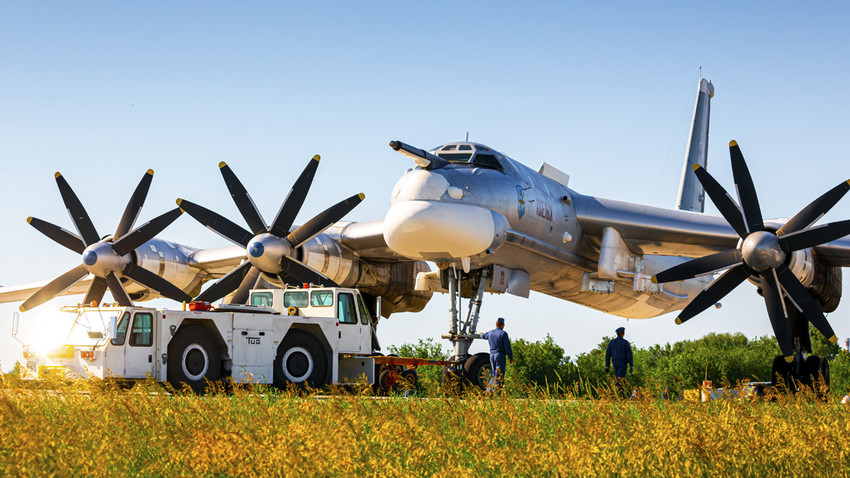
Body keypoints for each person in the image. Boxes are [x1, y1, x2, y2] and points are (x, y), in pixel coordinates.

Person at [480, 317, 513, 387]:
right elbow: (507, 347)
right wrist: (511, 357)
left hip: (491, 356)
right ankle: (497, 393)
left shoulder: (490, 333)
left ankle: (488, 392)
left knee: (494, 375)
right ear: (502, 325)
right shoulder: (503, 333)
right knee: (499, 375)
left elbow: (483, 336)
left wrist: (481, 334)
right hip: (500, 356)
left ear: (496, 324)